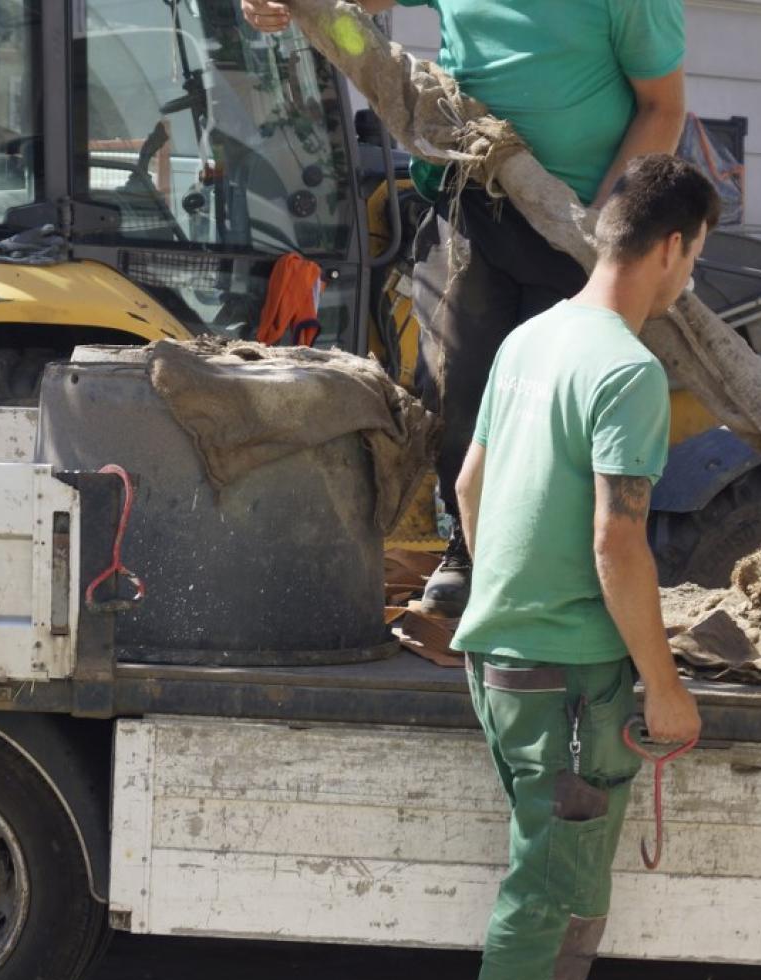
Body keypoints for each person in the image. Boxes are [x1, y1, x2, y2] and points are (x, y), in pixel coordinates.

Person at [245, 0, 689, 617]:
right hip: (468, 200)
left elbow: (662, 106)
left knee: (556, 403)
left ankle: (554, 566)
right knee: (457, 383)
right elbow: (355, 6)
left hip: (576, 226)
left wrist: (605, 228)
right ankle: (470, 546)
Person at [443, 154, 712, 980]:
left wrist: (508, 603)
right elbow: (618, 540)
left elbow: (469, 487)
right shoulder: (628, 371)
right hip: (570, 686)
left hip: (500, 665)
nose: (692, 274)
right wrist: (665, 689)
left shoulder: (531, 338)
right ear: (671, 247)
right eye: (698, 255)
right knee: (547, 900)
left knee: (568, 887)